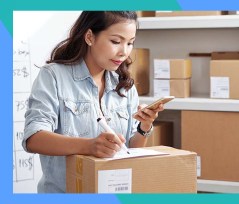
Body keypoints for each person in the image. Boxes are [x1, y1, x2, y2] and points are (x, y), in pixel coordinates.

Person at [23, 11, 164, 193]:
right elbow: (33, 139)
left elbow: (130, 150)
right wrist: (89, 146)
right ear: (90, 37)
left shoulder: (125, 86)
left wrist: (144, 126)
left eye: (130, 43)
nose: (124, 52)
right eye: (116, 41)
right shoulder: (53, 76)